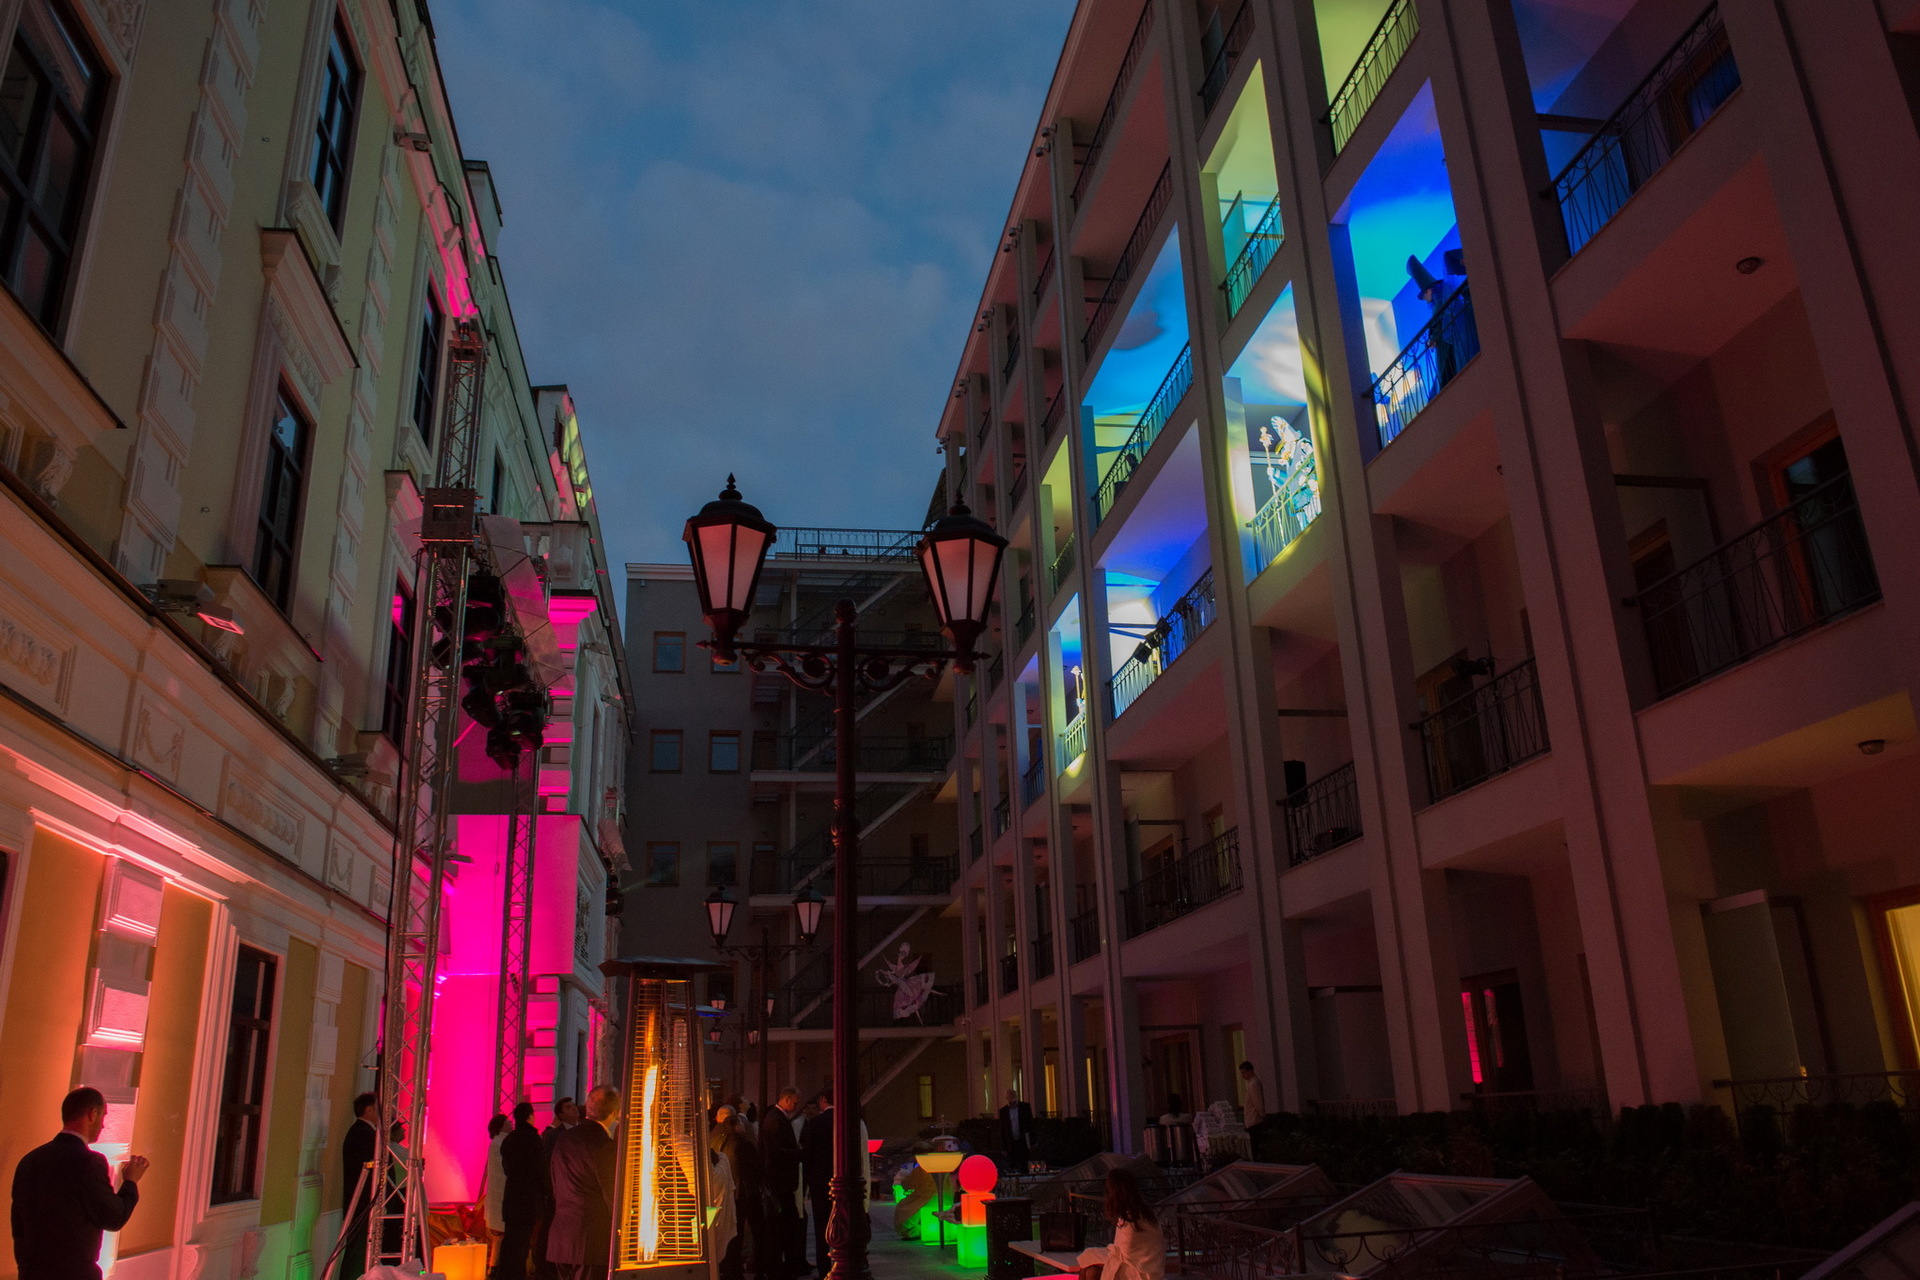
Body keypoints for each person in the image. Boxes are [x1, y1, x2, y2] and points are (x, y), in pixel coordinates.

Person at [10, 1087, 147, 1280]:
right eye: (103, 1117)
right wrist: (131, 1182)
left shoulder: (30, 1160)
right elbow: (114, 1217)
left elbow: (19, 1226)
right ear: (92, 1114)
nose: (103, 1126)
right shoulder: (88, 1162)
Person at [547, 1086, 620, 1280]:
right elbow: (612, 1195)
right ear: (615, 1112)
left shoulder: (564, 1139)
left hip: (561, 1238)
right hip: (591, 1242)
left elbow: (554, 1182)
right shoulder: (603, 1144)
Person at [1075, 1169, 1164, 1280]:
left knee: (1091, 1270)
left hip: (1140, 1270)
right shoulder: (1137, 1213)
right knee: (1090, 1267)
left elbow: (1125, 1254)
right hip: (1135, 1264)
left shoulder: (1133, 1217)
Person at [756, 1088, 804, 1280]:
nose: (796, 1106)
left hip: (780, 1181)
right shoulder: (776, 1119)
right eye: (795, 1102)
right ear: (786, 1099)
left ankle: (783, 1266)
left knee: (783, 1226)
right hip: (780, 1181)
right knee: (781, 1227)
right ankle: (779, 1268)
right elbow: (775, 1151)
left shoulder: (775, 1118)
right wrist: (798, 1153)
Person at [533, 1099, 578, 1280]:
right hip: (557, 1191)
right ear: (561, 1115)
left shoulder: (580, 1133)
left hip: (573, 1191)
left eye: (573, 1106)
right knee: (551, 1228)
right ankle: (546, 1266)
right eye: (569, 1107)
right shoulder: (553, 1135)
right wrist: (551, 1189)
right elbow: (546, 1164)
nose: (574, 1109)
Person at [497, 1102, 543, 1280]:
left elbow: (507, 1168)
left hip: (512, 1197)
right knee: (523, 1243)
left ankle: (505, 1275)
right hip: (528, 1198)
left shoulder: (509, 1140)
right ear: (530, 1116)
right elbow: (539, 1169)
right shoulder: (533, 1139)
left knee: (511, 1242)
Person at [340, 1093, 379, 1280]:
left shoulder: (363, 1132)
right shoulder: (363, 1133)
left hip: (363, 1200)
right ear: (368, 1109)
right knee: (357, 1249)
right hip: (362, 1201)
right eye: (377, 1108)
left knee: (360, 1248)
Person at [798, 1093, 833, 1277]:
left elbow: (807, 1155)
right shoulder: (846, 1122)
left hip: (819, 1181)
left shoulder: (816, 1124)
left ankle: (824, 1268)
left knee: (821, 1226)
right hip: (842, 1180)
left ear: (823, 1101)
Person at [485, 1115, 510, 1251]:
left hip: (498, 1194)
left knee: (499, 1237)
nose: (510, 1123)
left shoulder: (497, 1142)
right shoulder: (501, 1143)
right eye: (507, 1121)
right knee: (500, 1237)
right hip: (501, 1194)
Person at [997, 1089, 1035, 1172]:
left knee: (1024, 1163)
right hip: (1010, 1142)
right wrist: (1003, 1147)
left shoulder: (1025, 1107)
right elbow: (1002, 1130)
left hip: (1023, 1140)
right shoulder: (1003, 1111)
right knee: (1012, 1164)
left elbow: (1030, 1125)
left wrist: (1032, 1142)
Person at [1237, 1062, 1266, 1128]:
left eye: (1243, 1073)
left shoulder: (1253, 1084)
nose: (1242, 1076)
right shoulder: (1252, 1083)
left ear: (1250, 1071)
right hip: (1253, 1119)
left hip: (1254, 1120)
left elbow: (1258, 1102)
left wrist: (1263, 1115)